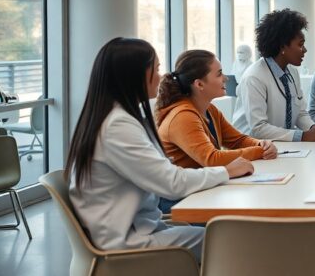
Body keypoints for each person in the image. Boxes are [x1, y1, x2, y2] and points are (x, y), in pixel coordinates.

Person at [66, 38, 254, 260]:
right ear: (135, 75)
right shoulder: (117, 126)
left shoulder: (114, 118)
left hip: (137, 227)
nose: (161, 76)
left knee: (217, 237)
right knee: (224, 242)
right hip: (126, 242)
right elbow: (171, 182)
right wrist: (227, 171)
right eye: (156, 69)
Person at [155, 50, 278, 212]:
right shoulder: (182, 116)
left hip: (201, 192)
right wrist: (260, 151)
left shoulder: (210, 110)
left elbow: (237, 140)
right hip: (181, 202)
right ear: (199, 84)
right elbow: (212, 159)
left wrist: (262, 144)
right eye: (219, 74)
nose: (225, 78)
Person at [232, 9, 315, 142]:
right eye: (300, 45)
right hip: (249, 146)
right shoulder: (254, 77)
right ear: (282, 46)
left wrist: (314, 129)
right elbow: (258, 128)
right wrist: (302, 136)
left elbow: (300, 113)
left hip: (280, 145)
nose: (305, 50)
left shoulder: (292, 72)